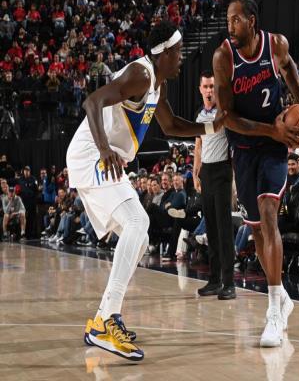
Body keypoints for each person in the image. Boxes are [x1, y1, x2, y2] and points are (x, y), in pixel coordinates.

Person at [66, 21, 224, 361]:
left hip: (108, 158)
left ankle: (102, 320)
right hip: (92, 154)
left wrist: (214, 127)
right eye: (178, 52)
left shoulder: (157, 84)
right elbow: (92, 102)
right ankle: (110, 320)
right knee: (138, 222)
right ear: (163, 54)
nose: (181, 58)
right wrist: (104, 148)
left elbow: (172, 125)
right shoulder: (140, 73)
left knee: (139, 236)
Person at [213, 0, 299, 347]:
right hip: (244, 147)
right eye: (228, 20)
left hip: (273, 148)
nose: (230, 26)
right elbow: (227, 117)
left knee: (269, 215)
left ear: (252, 21)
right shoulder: (224, 57)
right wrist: (271, 130)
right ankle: (281, 297)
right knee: (255, 231)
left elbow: (290, 68)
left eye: (236, 19)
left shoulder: (275, 44)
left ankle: (273, 312)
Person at [193, 71, 235, 300]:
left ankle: (229, 283)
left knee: (224, 228)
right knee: (210, 228)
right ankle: (214, 279)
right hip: (206, 172)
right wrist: (195, 172)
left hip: (222, 170)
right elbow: (198, 146)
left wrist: (234, 178)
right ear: (200, 89)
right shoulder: (199, 115)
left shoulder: (224, 112)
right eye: (206, 87)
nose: (209, 90)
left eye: (212, 86)